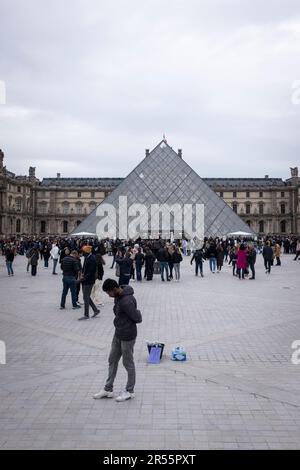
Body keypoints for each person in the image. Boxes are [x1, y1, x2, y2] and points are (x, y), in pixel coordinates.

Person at [93, 279, 142, 402]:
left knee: (128, 363)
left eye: (108, 293)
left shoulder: (127, 301)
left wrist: (135, 314)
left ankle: (130, 391)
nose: (108, 296)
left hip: (128, 336)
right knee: (112, 360)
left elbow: (137, 318)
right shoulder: (118, 297)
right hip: (118, 333)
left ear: (114, 289)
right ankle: (108, 389)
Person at [78, 245, 100, 320]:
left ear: (86, 252)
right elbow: (85, 268)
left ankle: (86, 315)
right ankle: (96, 310)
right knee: (86, 297)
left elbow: (91, 272)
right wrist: (82, 275)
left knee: (86, 297)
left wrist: (83, 278)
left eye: (83, 252)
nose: (82, 253)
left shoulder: (92, 259)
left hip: (89, 281)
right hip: (85, 280)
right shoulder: (87, 257)